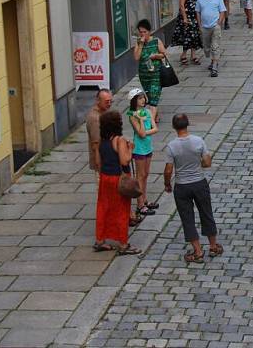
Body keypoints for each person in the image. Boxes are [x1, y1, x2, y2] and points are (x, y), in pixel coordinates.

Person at [164, 114, 223, 262]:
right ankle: (213, 246)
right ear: (188, 124)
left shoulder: (172, 146)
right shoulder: (198, 141)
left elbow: (168, 170)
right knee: (206, 212)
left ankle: (197, 251)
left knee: (187, 217)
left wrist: (167, 183)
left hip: (182, 185)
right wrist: (199, 165)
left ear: (173, 127)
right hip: (199, 182)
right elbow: (207, 162)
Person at [93, 110, 141, 255]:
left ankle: (100, 240)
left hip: (105, 178)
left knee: (103, 208)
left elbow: (98, 163)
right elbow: (124, 160)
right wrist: (130, 149)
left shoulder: (102, 141)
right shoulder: (118, 140)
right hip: (118, 179)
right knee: (122, 210)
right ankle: (123, 244)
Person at [126, 88, 158, 218]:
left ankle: (144, 199)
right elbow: (140, 133)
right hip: (139, 148)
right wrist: (140, 120)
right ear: (134, 101)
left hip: (148, 146)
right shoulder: (132, 115)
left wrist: (146, 131)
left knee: (146, 175)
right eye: (139, 98)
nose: (143, 100)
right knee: (140, 176)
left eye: (143, 98)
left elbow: (154, 128)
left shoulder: (148, 111)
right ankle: (140, 205)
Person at [132, 19, 166, 122]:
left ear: (149, 31)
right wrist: (141, 44)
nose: (142, 34)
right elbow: (137, 57)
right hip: (144, 74)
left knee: (154, 95)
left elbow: (163, 54)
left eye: (144, 32)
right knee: (150, 96)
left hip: (156, 73)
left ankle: (151, 123)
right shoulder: (138, 43)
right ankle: (155, 115)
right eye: (141, 32)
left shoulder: (156, 41)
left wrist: (156, 56)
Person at [196, 0, 227, 77]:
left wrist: (219, 22)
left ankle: (214, 66)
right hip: (205, 27)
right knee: (206, 47)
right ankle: (212, 60)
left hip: (215, 26)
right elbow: (198, 12)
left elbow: (222, 11)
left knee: (215, 46)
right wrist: (199, 25)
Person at [172, 0, 203, 64]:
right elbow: (182, 4)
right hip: (187, 16)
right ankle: (184, 55)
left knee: (194, 35)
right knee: (187, 36)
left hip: (193, 16)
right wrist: (185, 18)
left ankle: (193, 55)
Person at [86, 89, 113, 182]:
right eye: (106, 102)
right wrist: (100, 166)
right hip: (102, 163)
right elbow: (96, 145)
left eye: (110, 101)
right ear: (98, 101)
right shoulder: (95, 119)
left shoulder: (104, 112)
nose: (109, 104)